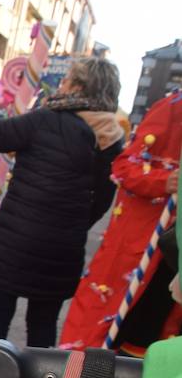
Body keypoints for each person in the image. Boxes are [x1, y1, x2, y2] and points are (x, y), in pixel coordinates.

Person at [0, 57, 125, 378]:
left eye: (69, 78)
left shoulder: (45, 120)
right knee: (43, 323)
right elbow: (103, 200)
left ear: (76, 88)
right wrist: (70, 224)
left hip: (15, 238)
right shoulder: (110, 138)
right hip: (62, 245)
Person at [60, 92, 182, 353]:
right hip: (151, 253)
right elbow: (125, 167)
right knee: (127, 337)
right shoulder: (174, 109)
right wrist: (165, 180)